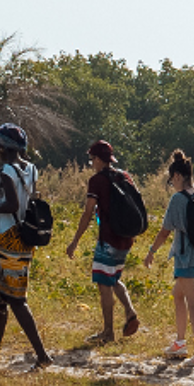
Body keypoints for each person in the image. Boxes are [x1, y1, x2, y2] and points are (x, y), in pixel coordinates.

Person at [0, 123, 54, 371]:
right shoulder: (31, 168)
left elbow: (11, 204)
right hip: (22, 240)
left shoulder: (7, 170)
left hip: (8, 239)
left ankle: (42, 355)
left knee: (17, 300)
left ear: (1, 146)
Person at [142, 149, 194, 369]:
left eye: (172, 180)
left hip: (186, 257)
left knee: (193, 304)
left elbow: (165, 231)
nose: (172, 185)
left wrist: (151, 252)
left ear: (177, 176)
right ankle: (180, 342)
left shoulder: (178, 199)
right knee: (178, 294)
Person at [65, 140, 143, 346]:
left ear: (99, 160)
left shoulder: (97, 181)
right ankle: (130, 311)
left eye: (92, 159)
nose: (92, 163)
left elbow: (88, 212)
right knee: (114, 278)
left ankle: (108, 332)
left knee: (103, 283)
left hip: (108, 238)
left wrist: (74, 241)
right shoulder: (125, 176)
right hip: (126, 238)